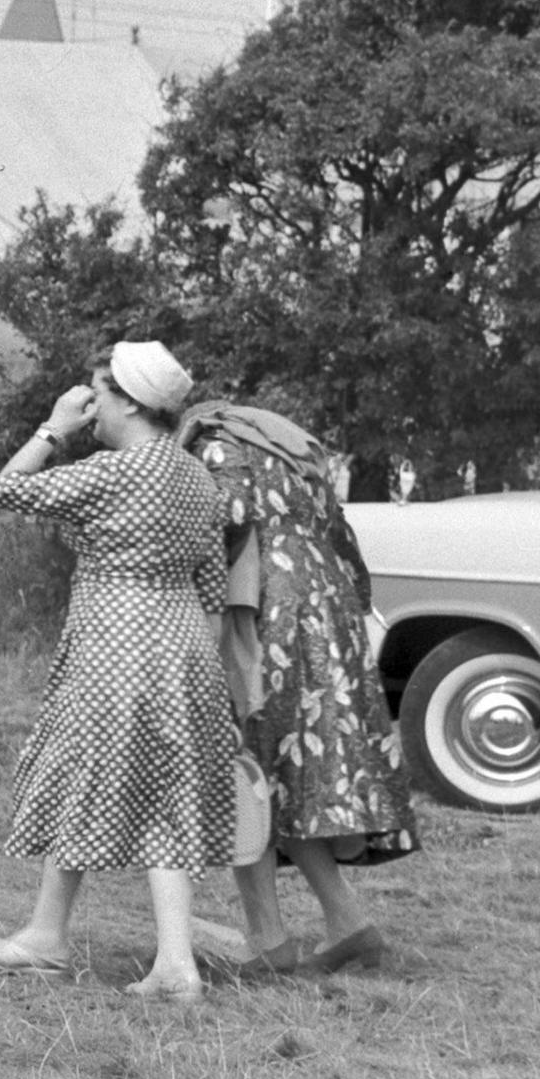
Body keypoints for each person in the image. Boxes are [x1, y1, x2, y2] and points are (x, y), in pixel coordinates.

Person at [0, 339, 249, 1003]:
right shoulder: (195, 478)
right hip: (182, 643)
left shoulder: (116, 470)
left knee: (94, 774)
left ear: (128, 399)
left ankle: (150, 959)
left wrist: (52, 429)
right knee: (157, 786)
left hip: (116, 639)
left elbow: (7, 489)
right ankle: (64, 936)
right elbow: (212, 589)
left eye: (98, 391)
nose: (90, 404)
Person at [184, 396, 416, 975]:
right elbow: (344, 538)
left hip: (271, 610)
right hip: (329, 608)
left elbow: (228, 513)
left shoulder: (215, 442)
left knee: (252, 771)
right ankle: (348, 925)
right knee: (294, 780)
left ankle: (268, 939)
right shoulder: (292, 450)